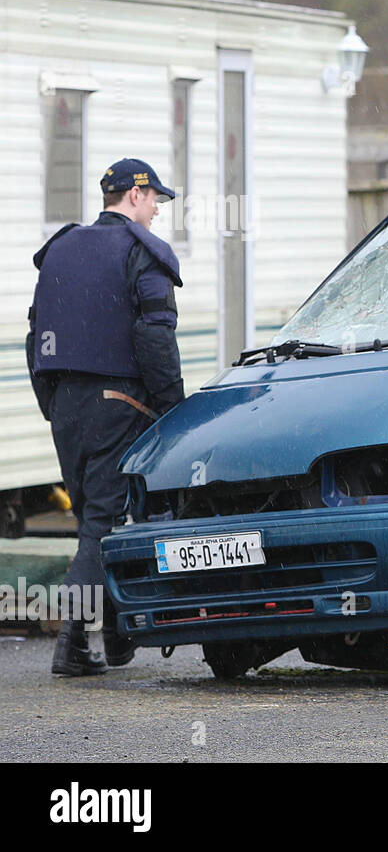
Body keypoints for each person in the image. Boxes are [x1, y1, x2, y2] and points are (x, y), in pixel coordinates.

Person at [26, 159, 185, 676]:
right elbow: (154, 337)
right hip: (119, 404)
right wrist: (174, 409)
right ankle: (71, 643)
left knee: (94, 518)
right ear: (135, 196)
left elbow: (35, 336)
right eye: (155, 199)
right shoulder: (143, 252)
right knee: (104, 522)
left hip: (64, 406)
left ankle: (115, 639)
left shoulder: (61, 249)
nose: (157, 210)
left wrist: (51, 404)